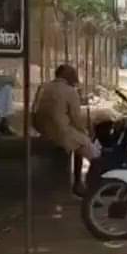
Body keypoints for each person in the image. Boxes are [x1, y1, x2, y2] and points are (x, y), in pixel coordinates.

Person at [33, 64, 100, 196]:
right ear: (66, 75)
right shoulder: (70, 91)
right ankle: (84, 187)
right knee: (93, 153)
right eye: (73, 73)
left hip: (43, 130)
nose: (75, 76)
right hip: (61, 132)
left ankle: (77, 183)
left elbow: (34, 112)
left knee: (77, 141)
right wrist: (85, 132)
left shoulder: (43, 87)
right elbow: (76, 118)